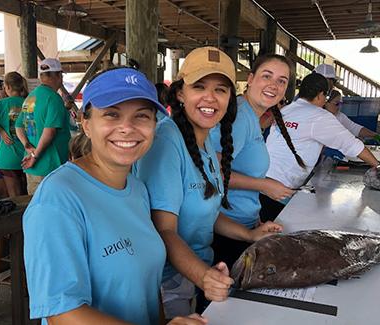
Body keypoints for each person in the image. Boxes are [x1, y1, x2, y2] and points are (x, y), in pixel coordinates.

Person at [23, 67, 207, 325]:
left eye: (142, 116)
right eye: (111, 114)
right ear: (86, 125)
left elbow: (148, 287)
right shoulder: (58, 198)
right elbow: (62, 313)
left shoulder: (137, 189)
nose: (127, 128)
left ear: (155, 125)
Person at [135, 47, 282, 319]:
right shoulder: (167, 142)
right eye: (199, 86)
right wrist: (205, 278)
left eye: (221, 90)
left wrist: (250, 234)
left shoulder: (205, 144)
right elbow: (164, 230)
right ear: (180, 93)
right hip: (167, 283)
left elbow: (208, 213)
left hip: (196, 272)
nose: (210, 98)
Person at [210, 54, 294, 268]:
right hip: (225, 228)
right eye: (267, 76)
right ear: (250, 78)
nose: (274, 85)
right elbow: (213, 172)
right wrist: (264, 185)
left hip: (242, 223)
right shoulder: (240, 117)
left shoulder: (249, 115)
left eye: (281, 81)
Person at [263, 72, 380, 219]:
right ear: (320, 95)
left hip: (260, 181)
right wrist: (377, 166)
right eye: (326, 96)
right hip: (278, 189)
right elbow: (352, 145)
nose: (325, 101)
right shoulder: (319, 116)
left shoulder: (288, 109)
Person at [15, 58, 71, 195]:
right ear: (58, 75)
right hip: (51, 166)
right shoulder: (53, 98)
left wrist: (28, 146)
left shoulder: (30, 98)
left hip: (31, 167)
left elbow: (18, 126)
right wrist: (35, 156)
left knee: (35, 207)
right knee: (53, 208)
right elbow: (49, 131)